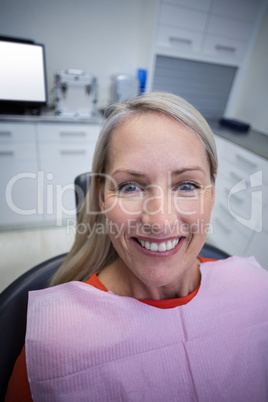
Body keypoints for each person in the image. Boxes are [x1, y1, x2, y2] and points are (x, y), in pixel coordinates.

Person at [5, 92, 268, 401]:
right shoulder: (55, 344)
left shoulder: (256, 291)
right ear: (102, 195)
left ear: (212, 189)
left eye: (187, 185)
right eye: (131, 186)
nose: (160, 222)